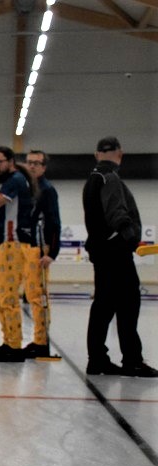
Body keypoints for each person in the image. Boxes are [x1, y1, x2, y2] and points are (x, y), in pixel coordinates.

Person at [81, 136, 157, 377]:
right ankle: (132, 360)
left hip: (101, 251)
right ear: (120, 154)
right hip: (115, 252)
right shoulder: (110, 178)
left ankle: (98, 360)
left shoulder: (92, 179)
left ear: (96, 154)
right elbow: (117, 214)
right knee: (128, 304)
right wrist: (133, 239)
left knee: (103, 305)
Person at [0, 145, 39, 362]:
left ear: (10, 161)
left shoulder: (14, 181)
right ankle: (9, 341)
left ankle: (14, 346)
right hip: (4, 245)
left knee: (7, 297)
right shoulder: (12, 181)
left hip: (12, 244)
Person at [22, 150, 60, 358]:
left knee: (39, 296)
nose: (32, 166)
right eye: (29, 162)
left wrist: (52, 252)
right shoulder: (28, 189)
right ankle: (37, 339)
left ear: (44, 167)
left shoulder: (47, 190)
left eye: (37, 163)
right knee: (31, 295)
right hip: (27, 248)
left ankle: (42, 342)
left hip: (41, 248)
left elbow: (54, 222)